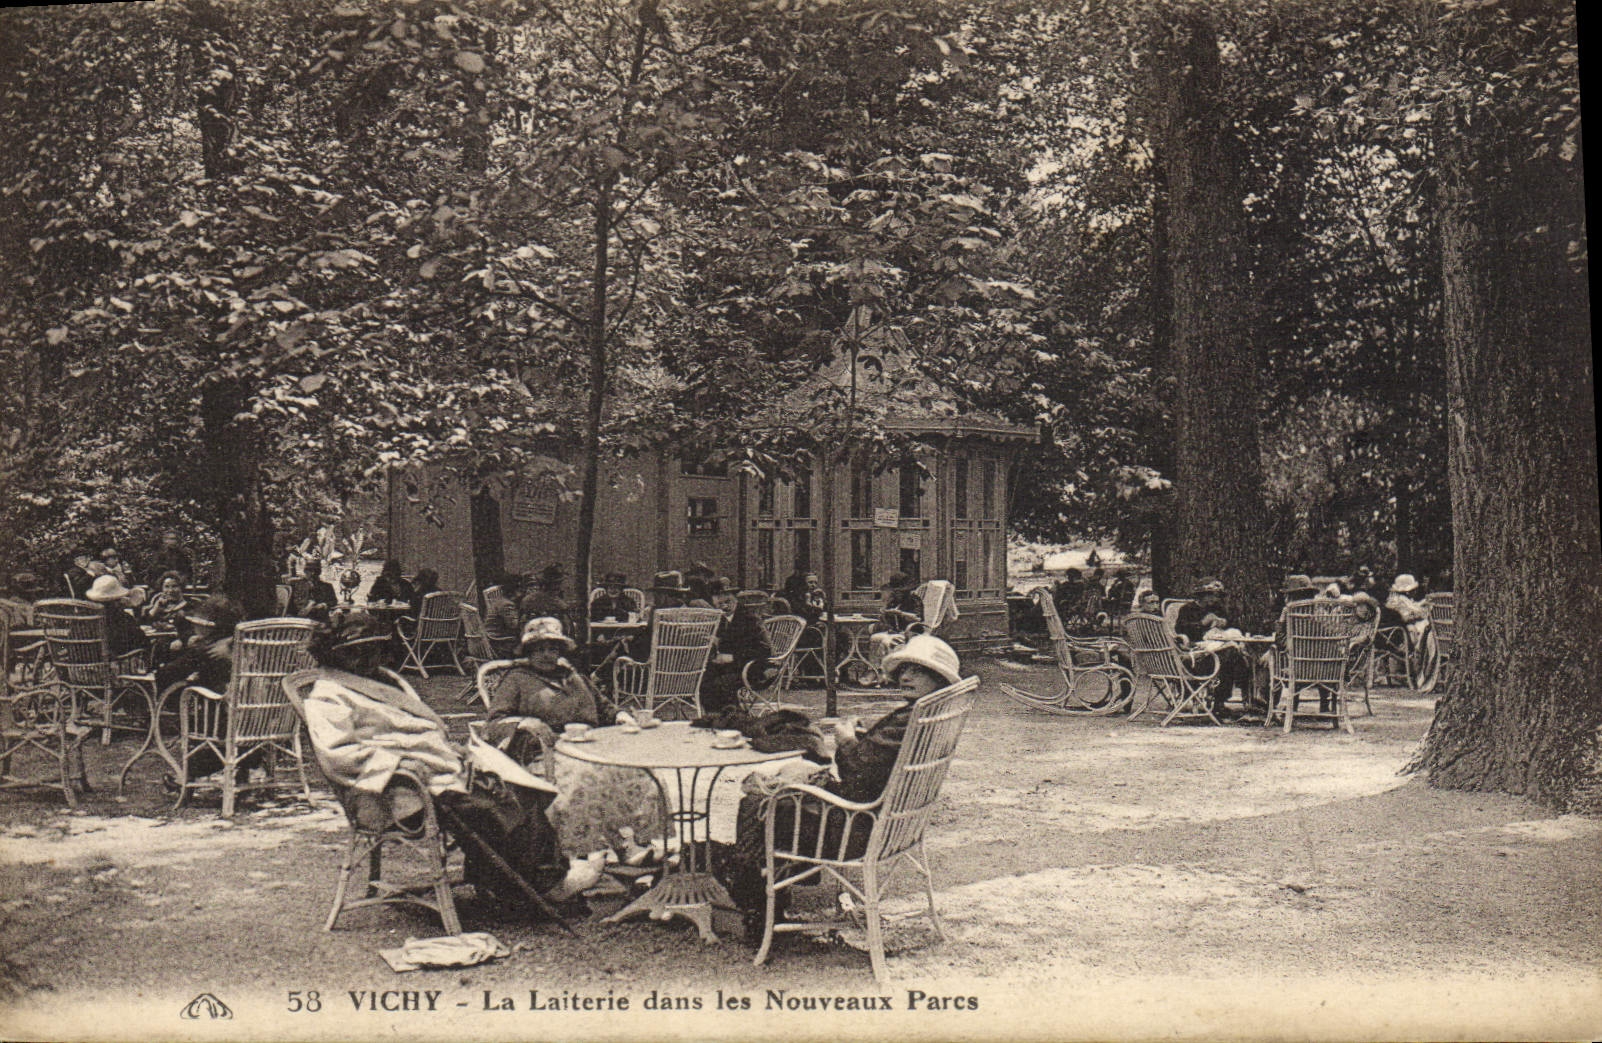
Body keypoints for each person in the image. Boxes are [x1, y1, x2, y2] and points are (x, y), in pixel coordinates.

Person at [299, 614, 594, 905]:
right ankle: (544, 883)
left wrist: (448, 751)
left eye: (373, 650)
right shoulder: (328, 696)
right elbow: (339, 755)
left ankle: (509, 882)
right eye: (359, 653)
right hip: (393, 791)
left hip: (433, 771)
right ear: (338, 656)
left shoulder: (370, 684)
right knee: (495, 802)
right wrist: (399, 765)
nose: (370, 659)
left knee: (517, 786)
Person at [721, 634, 964, 941]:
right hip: (897, 826)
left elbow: (858, 770)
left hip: (857, 828)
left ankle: (757, 905)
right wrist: (865, 737)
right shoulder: (930, 716)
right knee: (791, 778)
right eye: (903, 669)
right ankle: (776, 889)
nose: (906, 676)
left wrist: (845, 738)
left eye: (919, 671)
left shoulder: (912, 720)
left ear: (940, 679)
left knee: (759, 802)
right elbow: (881, 761)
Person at [482, 617, 661, 858]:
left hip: (592, 747)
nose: (547, 655)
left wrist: (621, 716)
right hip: (545, 753)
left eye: (553, 648)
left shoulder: (572, 675)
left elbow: (603, 705)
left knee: (638, 771)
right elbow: (493, 723)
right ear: (529, 652)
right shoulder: (517, 679)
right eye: (540, 649)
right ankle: (587, 852)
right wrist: (524, 722)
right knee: (584, 780)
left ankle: (635, 842)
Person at [156, 596, 248, 787]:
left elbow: (167, 674)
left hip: (221, 726)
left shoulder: (208, 650)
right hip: (257, 724)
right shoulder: (249, 647)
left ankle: (187, 775)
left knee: (199, 716)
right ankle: (245, 769)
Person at [1172, 577, 1254, 719]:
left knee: (1234, 654)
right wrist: (1203, 623)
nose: (1215, 599)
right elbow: (1181, 631)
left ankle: (1226, 700)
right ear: (1202, 595)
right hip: (1197, 655)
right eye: (1211, 595)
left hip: (1218, 649)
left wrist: (1225, 622)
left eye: (1217, 596)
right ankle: (1222, 702)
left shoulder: (1217, 609)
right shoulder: (1187, 609)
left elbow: (1233, 626)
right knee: (1232, 656)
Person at [701, 591, 774, 714]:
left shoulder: (750, 619)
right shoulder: (720, 620)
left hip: (753, 668)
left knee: (720, 683)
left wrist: (733, 657)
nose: (724, 606)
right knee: (702, 679)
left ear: (736, 601)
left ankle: (732, 717)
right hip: (731, 668)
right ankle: (716, 717)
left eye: (727, 602)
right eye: (719, 604)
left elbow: (765, 650)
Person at [84, 574, 149, 660]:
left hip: (82, 669)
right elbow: (143, 642)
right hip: (117, 666)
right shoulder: (123, 619)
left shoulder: (83, 619)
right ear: (117, 600)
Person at [484, 573, 525, 651]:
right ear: (515, 590)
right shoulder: (507, 605)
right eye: (520, 589)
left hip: (494, 639)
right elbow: (514, 625)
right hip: (500, 643)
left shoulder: (500, 600)